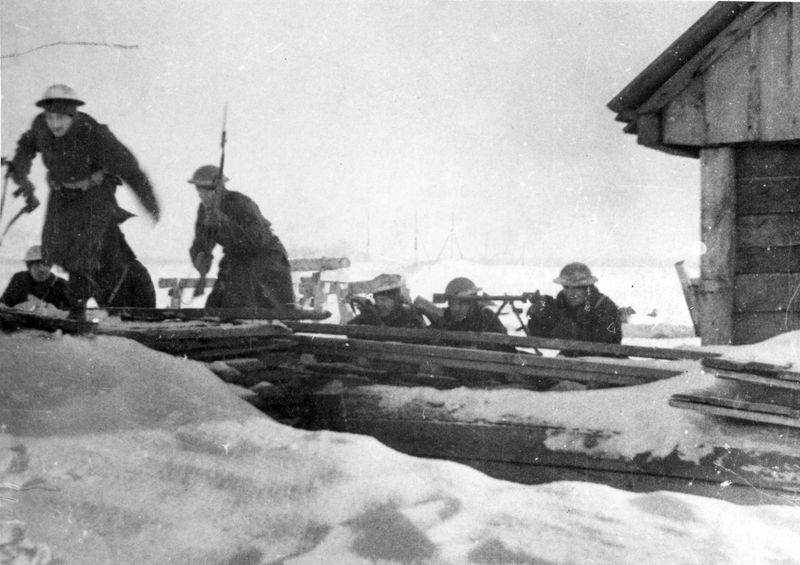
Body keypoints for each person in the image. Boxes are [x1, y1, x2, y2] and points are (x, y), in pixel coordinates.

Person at [8, 84, 160, 317]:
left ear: (73, 115)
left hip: (95, 194)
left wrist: (149, 202)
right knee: (55, 247)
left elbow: (129, 168)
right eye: (50, 117)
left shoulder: (94, 133)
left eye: (61, 118)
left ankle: (77, 310)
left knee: (83, 250)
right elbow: (26, 146)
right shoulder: (40, 126)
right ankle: (91, 296)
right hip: (61, 195)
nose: (55, 124)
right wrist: (21, 175)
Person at [188, 165, 295, 309]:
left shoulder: (240, 202)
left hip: (266, 260)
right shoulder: (204, 211)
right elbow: (201, 243)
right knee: (217, 306)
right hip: (237, 259)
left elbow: (256, 240)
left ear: (220, 187)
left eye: (208, 189)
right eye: (199, 189)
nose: (202, 194)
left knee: (259, 307)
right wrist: (201, 261)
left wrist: (223, 221)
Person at [527, 262, 622, 354]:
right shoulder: (562, 304)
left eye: (577, 288)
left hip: (603, 363)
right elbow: (541, 337)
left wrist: (558, 318)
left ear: (587, 288)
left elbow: (603, 342)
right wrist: (538, 318)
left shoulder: (605, 307)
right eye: (567, 288)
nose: (571, 294)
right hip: (572, 361)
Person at [0, 245, 73, 311]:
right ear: (29, 266)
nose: (42, 269)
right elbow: (4, 304)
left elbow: (71, 315)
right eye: (37, 264)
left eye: (45, 264)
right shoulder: (19, 279)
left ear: (50, 266)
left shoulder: (61, 285)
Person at [430, 277, 507, 333]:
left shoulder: (485, 315)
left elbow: (505, 347)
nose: (456, 308)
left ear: (472, 303)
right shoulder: (447, 316)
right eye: (452, 304)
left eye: (462, 303)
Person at [347, 274, 424, 328]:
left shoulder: (408, 315)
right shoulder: (373, 312)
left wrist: (376, 320)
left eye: (384, 299)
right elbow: (349, 329)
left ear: (396, 299)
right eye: (377, 299)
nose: (379, 303)